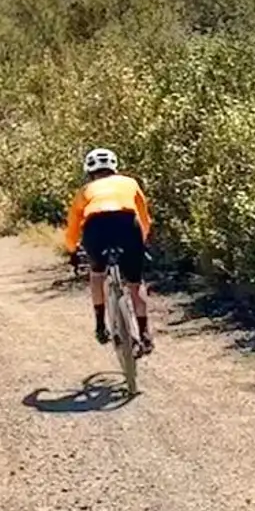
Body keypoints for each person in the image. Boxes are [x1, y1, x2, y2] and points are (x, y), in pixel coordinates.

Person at [64, 146, 154, 355]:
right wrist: (143, 239)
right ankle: (145, 335)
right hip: (126, 224)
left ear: (89, 170)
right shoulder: (130, 183)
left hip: (96, 227)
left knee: (97, 275)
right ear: (114, 166)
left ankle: (100, 325)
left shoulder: (84, 191)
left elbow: (73, 225)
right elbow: (143, 216)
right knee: (134, 283)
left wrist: (72, 250)